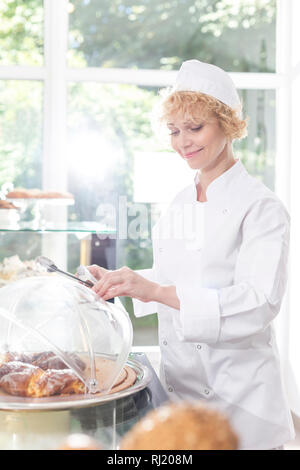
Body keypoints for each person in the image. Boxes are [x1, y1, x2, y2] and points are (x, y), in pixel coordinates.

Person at [87, 60, 295, 450]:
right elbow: (177, 279)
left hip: (241, 403)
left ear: (228, 124)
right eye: (174, 130)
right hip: (179, 393)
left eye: (196, 128)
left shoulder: (262, 207)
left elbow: (259, 302)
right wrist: (125, 281)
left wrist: (152, 290)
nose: (183, 142)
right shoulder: (179, 202)